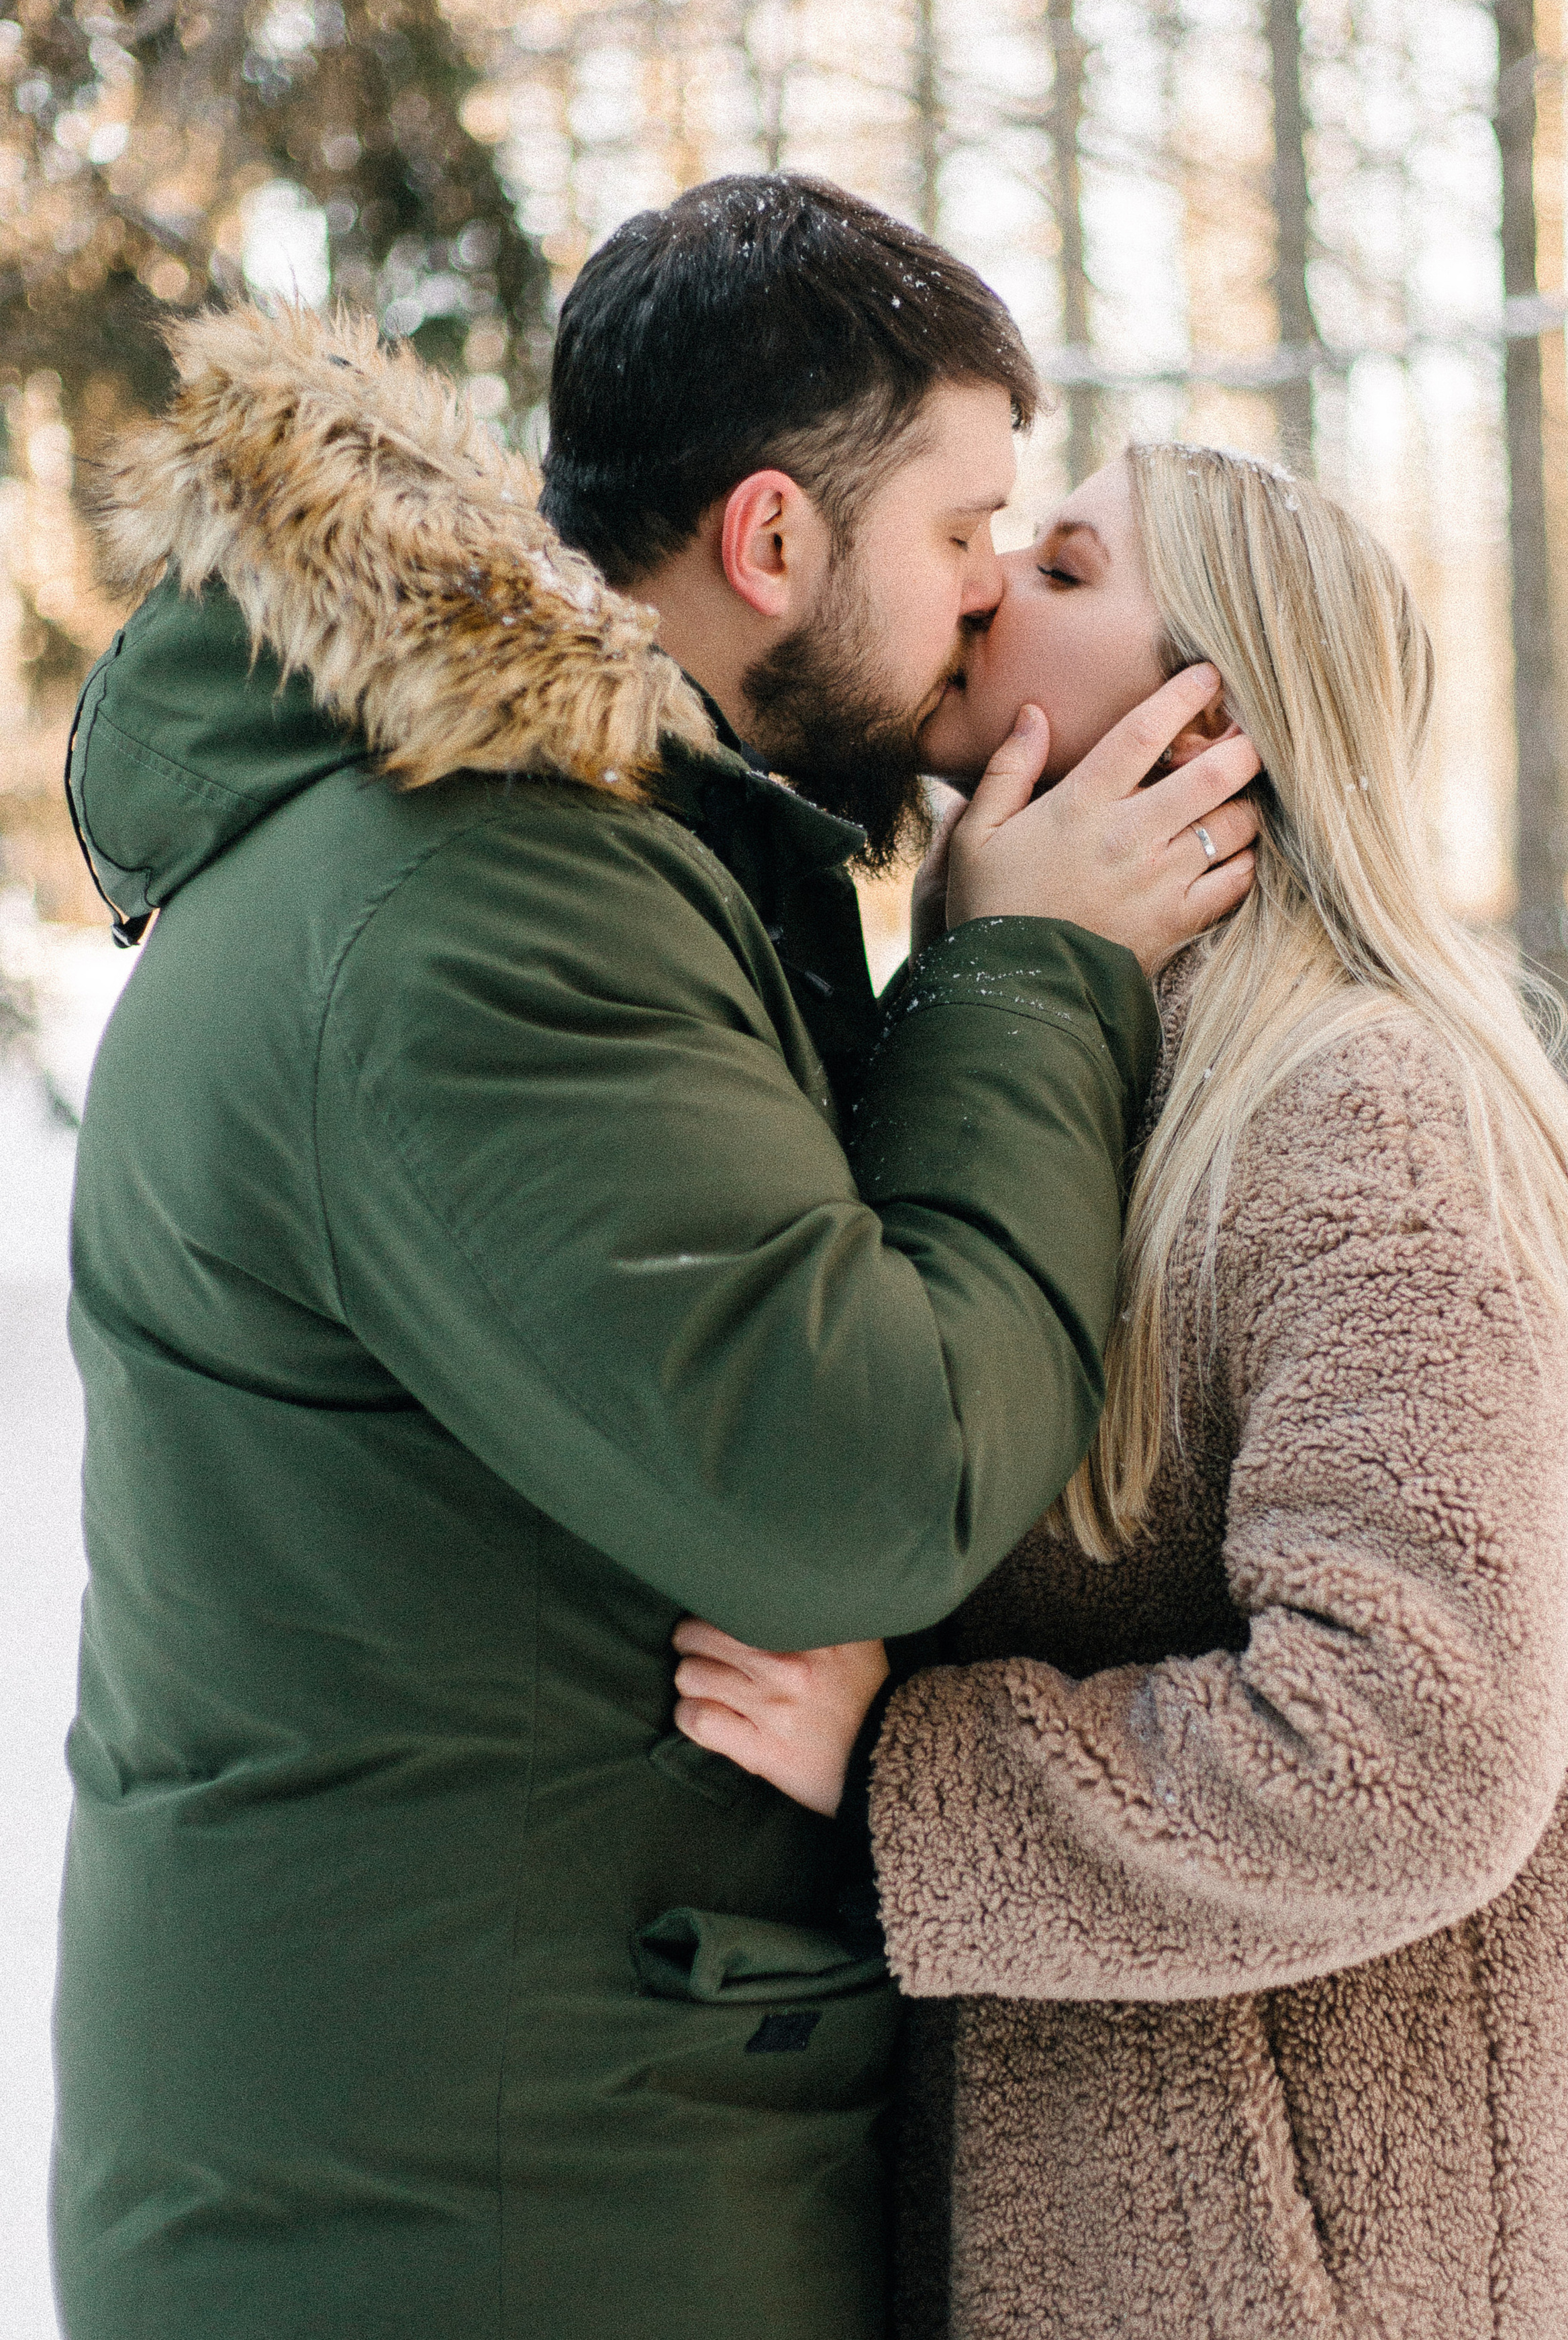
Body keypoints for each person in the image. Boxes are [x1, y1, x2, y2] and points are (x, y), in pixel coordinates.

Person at [51, 177, 1261, 2340]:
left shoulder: (592, 849)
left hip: (503, 2140)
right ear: (775, 541)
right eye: (964, 532)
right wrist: (1033, 977)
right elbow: (861, 1484)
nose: (990, 601)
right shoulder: (480, 905)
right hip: (480, 2211)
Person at [673, 442, 1568, 2340]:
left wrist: (908, 1772)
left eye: (1056, 566)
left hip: (1325, 2285)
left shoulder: (1355, 1112)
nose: (981, 586)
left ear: (1209, 718)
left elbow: (1417, 1749)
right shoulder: (1103, 1076)